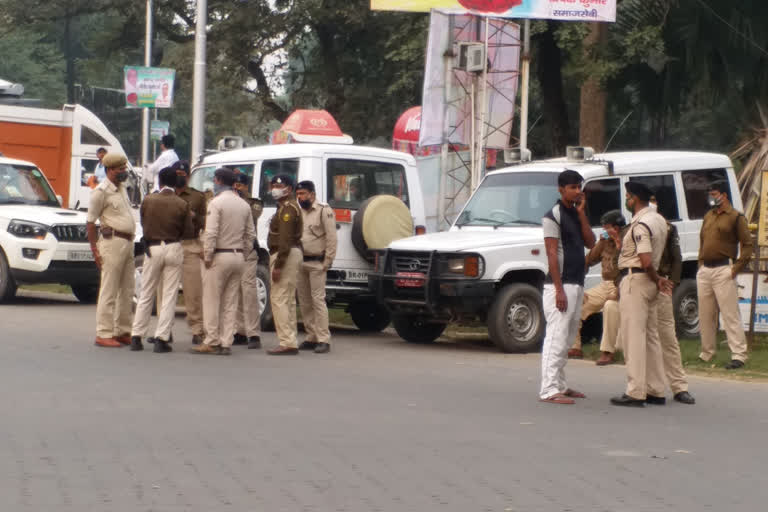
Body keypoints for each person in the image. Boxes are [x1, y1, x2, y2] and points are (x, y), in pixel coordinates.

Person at [610, 182, 670, 407]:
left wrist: (656, 279)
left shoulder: (641, 224)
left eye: (628, 196)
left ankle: (636, 391)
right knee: (651, 337)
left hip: (637, 279)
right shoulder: (658, 219)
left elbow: (645, 259)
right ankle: (656, 389)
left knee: (633, 337)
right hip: (650, 284)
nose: (626, 200)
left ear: (634, 199)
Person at [539, 170, 596, 404]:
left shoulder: (575, 213)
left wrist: (582, 214)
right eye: (573, 187)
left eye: (579, 187)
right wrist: (559, 289)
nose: (577, 191)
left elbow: (591, 243)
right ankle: (549, 389)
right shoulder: (552, 216)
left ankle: (560, 384)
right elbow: (552, 253)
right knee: (556, 336)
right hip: (559, 286)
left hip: (576, 282)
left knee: (568, 337)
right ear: (561, 189)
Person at [191, 168, 256, 356]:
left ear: (219, 180)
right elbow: (250, 234)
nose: (214, 183)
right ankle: (227, 341)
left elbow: (211, 232)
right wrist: (243, 252)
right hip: (237, 256)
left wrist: (208, 255)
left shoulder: (216, 203)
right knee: (231, 301)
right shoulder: (243, 204)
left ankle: (211, 340)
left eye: (215, 180)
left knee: (211, 299)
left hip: (219, 255)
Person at [129, 167, 192, 353]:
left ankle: (136, 336)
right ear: (175, 183)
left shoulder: (148, 200)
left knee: (146, 292)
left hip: (153, 248)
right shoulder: (181, 203)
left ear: (160, 181)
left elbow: (144, 222)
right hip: (173, 246)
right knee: (169, 294)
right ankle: (161, 338)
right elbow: (188, 231)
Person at [697, 180, 752, 369]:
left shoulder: (736, 217)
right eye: (710, 194)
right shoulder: (708, 216)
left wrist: (735, 269)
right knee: (706, 314)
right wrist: (700, 264)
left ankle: (739, 355)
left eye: (714, 194)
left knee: (730, 314)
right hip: (706, 270)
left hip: (724, 269)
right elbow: (702, 240)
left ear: (724, 195)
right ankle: (707, 352)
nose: (711, 197)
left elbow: (747, 245)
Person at [86, 153, 136, 348]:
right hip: (112, 242)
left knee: (127, 288)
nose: (123, 172)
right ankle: (104, 332)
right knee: (109, 288)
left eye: (124, 168)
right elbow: (90, 222)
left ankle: (122, 330)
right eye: (120, 169)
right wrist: (94, 249)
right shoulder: (100, 192)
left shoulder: (122, 189)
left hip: (127, 241)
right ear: (109, 170)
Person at [652, 196, 696, 404]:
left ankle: (679, 387)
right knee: (644, 341)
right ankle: (649, 387)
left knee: (668, 338)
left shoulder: (668, 228)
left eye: (654, 201)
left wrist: (674, 284)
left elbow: (677, 258)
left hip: (662, 284)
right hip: (640, 287)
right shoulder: (632, 227)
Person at [568, 209, 625, 364]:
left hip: (622, 283)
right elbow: (589, 259)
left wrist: (618, 242)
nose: (605, 231)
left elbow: (627, 267)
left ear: (617, 228)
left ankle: (608, 351)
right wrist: (577, 283)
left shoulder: (627, 240)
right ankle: (575, 346)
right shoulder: (605, 241)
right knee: (577, 300)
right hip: (605, 284)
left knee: (609, 306)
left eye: (607, 228)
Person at [296, 180, 337, 354]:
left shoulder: (323, 210)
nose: (300, 197)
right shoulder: (298, 211)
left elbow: (331, 237)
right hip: (300, 261)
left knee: (318, 300)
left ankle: (323, 338)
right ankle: (311, 336)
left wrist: (327, 261)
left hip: (317, 262)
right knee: (304, 302)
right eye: (298, 194)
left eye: (303, 194)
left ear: (312, 194)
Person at [266, 174, 303, 355]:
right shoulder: (285, 208)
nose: (275, 188)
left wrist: (279, 264)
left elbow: (285, 239)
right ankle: (290, 339)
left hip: (285, 255)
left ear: (288, 189)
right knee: (287, 299)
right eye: (273, 185)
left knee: (279, 298)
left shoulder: (288, 209)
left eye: (279, 185)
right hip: (290, 253)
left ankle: (287, 341)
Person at [175, 160, 207, 345]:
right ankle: (164, 330)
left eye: (183, 175)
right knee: (165, 291)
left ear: (188, 176)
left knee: (194, 291)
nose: (180, 178)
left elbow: (206, 221)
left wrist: (196, 217)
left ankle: (197, 329)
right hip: (170, 243)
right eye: (177, 175)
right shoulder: (165, 195)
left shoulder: (197, 197)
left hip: (190, 244)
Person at [232, 172, 264, 350]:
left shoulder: (254, 203)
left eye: (240, 185)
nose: (237, 188)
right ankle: (240, 330)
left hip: (248, 252)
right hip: (232, 250)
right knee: (235, 292)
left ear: (246, 186)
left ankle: (254, 333)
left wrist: (237, 198)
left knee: (249, 292)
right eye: (234, 185)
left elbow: (252, 215)